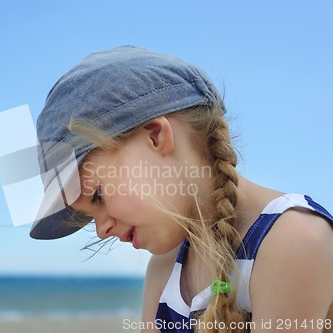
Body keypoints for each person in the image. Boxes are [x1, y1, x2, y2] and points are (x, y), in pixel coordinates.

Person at [29, 46, 333, 333]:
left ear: (156, 137)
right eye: (89, 215)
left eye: (98, 195)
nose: (101, 230)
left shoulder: (292, 241)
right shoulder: (164, 269)